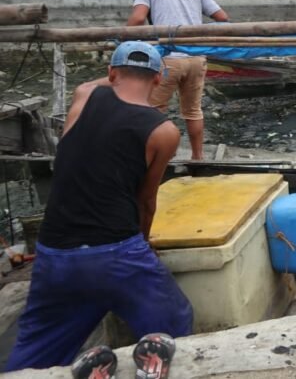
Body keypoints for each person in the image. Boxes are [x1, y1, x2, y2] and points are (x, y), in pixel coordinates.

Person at [5, 42, 193, 371]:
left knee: (37, 348)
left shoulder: (83, 97)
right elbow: (146, 200)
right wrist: (144, 244)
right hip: (118, 254)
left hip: (54, 253)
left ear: (111, 73)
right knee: (174, 322)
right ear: (159, 78)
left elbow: (95, 85)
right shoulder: (163, 132)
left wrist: (115, 76)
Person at [127, 0, 229, 160]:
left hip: (168, 58)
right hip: (196, 58)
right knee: (193, 111)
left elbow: (138, 18)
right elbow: (222, 18)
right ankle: (198, 157)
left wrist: (123, 38)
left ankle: (158, 158)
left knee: (154, 110)